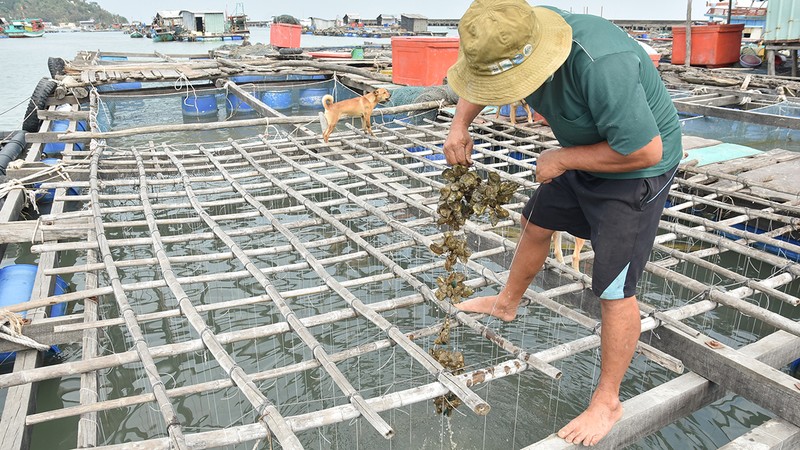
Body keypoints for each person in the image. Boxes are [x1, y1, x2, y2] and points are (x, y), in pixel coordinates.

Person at [443, 0, 682, 446]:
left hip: (637, 168)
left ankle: (608, 400)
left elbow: (645, 150)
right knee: (535, 220)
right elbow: (485, 73)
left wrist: (561, 157)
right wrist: (459, 124)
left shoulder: (601, 64)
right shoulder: (512, 29)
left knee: (612, 286)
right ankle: (506, 303)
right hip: (583, 154)